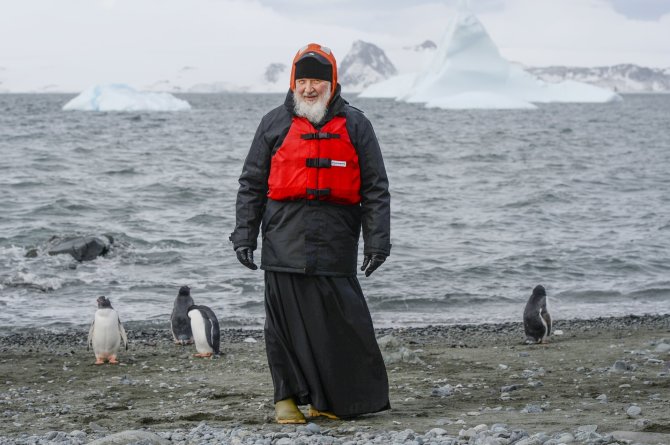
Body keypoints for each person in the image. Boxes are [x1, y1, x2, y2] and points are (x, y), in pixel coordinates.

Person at [230, 43, 391, 424]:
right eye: (301, 80)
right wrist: (244, 235)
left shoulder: (357, 125)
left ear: (332, 83)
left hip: (336, 241)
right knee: (283, 326)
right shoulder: (273, 123)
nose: (308, 88)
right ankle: (285, 400)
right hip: (284, 239)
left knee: (340, 324)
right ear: (292, 83)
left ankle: (329, 399)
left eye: (316, 81)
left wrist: (378, 241)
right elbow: (251, 183)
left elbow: (375, 188)